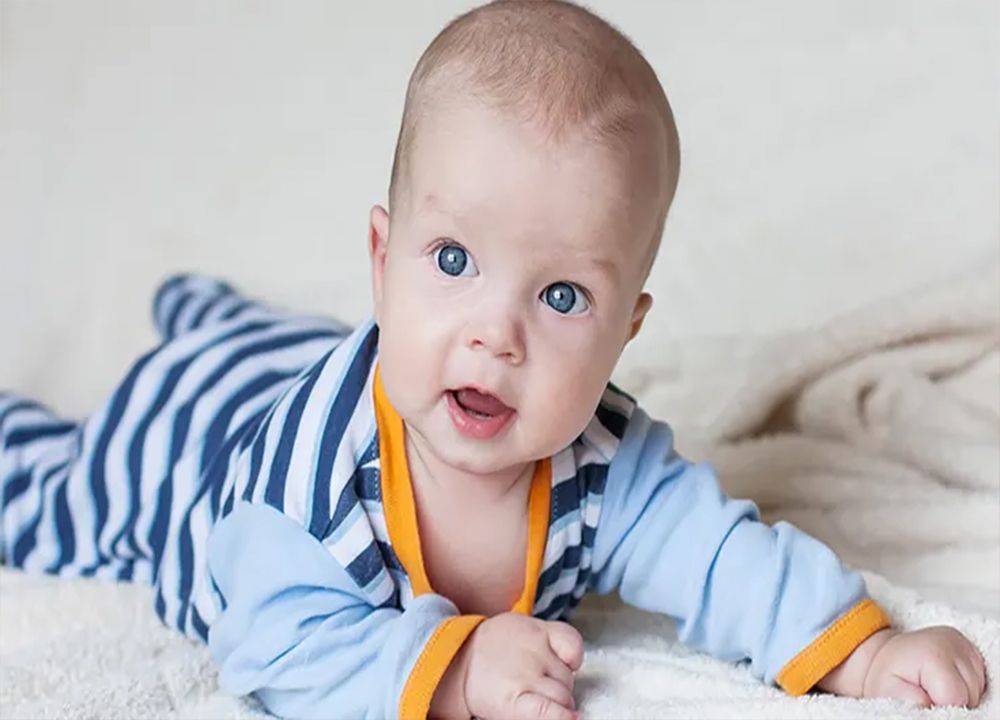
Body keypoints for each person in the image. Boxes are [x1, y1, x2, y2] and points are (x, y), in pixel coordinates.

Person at [0, 2, 986, 718]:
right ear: (382, 261)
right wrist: (458, 667)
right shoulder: (300, 491)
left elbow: (726, 559)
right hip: (189, 436)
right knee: (45, 497)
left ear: (623, 333)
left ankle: (214, 312)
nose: (495, 334)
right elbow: (275, 654)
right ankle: (192, 328)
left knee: (285, 340)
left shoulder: (605, 462)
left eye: (561, 297)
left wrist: (864, 654)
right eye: (454, 260)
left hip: (317, 359)